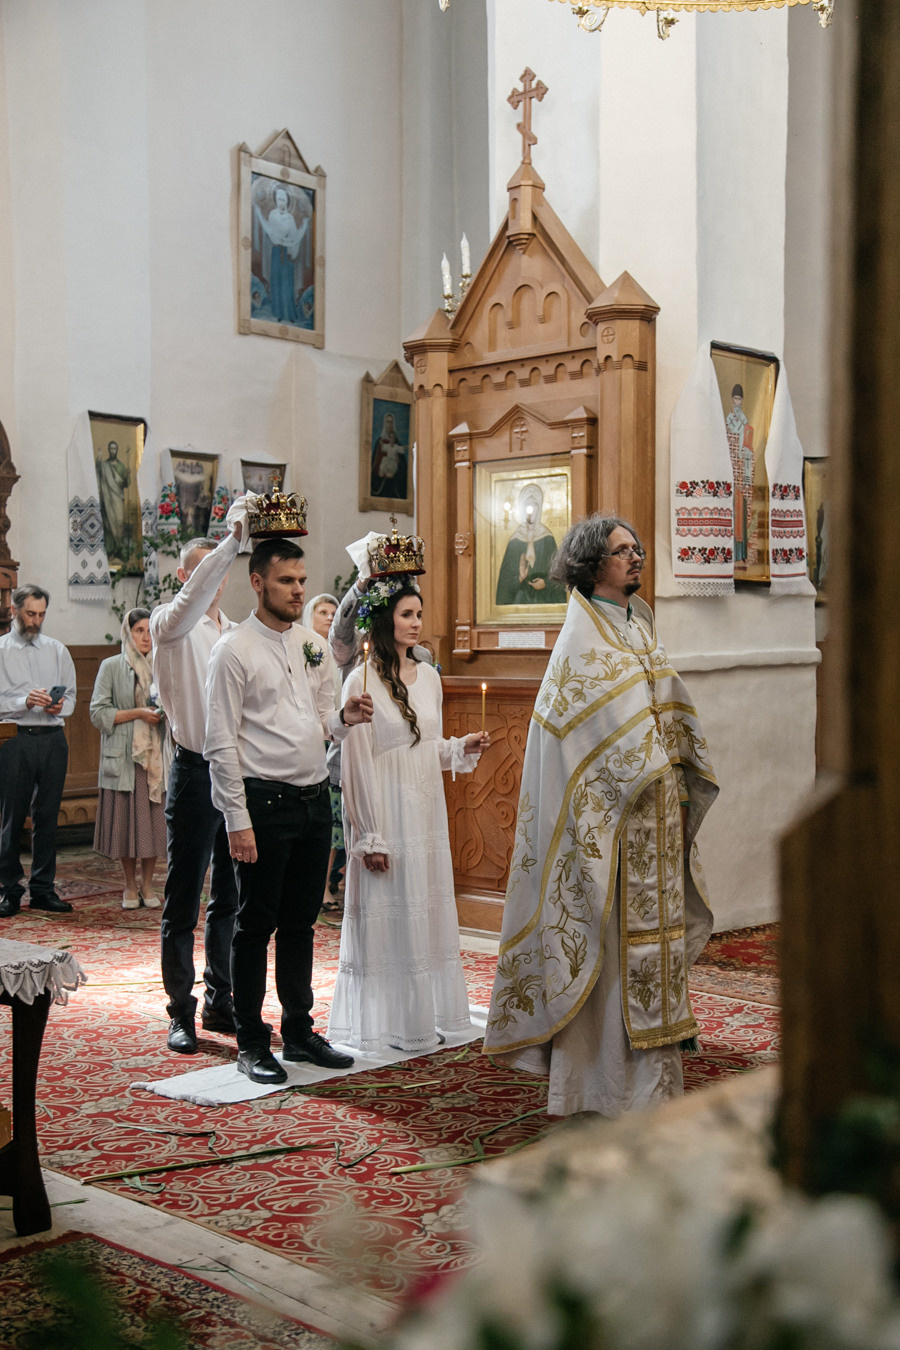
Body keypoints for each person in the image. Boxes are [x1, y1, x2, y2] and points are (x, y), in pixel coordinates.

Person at [483, 514, 719, 1118]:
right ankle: (602, 1088)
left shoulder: (638, 627)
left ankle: (655, 1086)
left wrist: (680, 771)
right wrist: (646, 768)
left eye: (637, 548)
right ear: (592, 565)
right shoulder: (580, 640)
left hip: (655, 821)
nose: (635, 557)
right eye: (622, 551)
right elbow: (592, 736)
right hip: (608, 830)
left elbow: (663, 710)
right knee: (611, 953)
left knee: (653, 952)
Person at [205, 537, 374, 1085]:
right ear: (258, 582)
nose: (298, 590)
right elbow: (221, 743)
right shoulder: (233, 650)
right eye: (286, 581)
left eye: (302, 581)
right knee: (255, 925)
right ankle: (252, 1041)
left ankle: (299, 1031)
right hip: (262, 801)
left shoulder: (313, 645)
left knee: (301, 924)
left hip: (311, 798)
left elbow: (324, 722)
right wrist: (236, 819)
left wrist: (345, 716)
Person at [328, 582, 489, 1054]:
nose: (416, 622)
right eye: (405, 614)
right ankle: (388, 1023)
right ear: (385, 620)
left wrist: (459, 748)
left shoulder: (432, 678)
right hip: (387, 811)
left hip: (424, 811)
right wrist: (369, 834)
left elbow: (423, 749)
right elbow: (358, 762)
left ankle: (424, 1016)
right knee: (390, 912)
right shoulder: (362, 679)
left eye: (419, 612)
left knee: (424, 908)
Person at [151, 523, 242, 1053]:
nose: (214, 582)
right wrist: (232, 539)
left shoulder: (234, 630)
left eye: (220, 574)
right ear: (186, 577)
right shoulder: (170, 623)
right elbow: (189, 604)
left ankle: (220, 1000)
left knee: (229, 897)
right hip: (193, 769)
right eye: (205, 572)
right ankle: (180, 1012)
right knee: (184, 897)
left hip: (237, 771)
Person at [0, 585, 77, 917]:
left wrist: (58, 706)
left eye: (42, 614)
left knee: (47, 817)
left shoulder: (56, 650)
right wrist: (24, 701)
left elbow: (72, 698)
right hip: (15, 738)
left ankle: (43, 889)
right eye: (31, 614)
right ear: (15, 611)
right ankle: (9, 890)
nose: (37, 620)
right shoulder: (1, 650)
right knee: (11, 818)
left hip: (52, 738)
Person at [90, 608, 166, 910]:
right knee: (127, 824)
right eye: (139, 631)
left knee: (152, 824)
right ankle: (130, 885)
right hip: (124, 757)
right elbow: (98, 712)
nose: (146, 637)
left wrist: (163, 715)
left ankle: (148, 884)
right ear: (128, 633)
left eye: (150, 631)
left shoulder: (161, 664)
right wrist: (137, 714)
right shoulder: (111, 666)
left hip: (155, 758)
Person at [495, 482, 566, 606]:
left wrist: (545, 583)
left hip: (545, 604)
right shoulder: (515, 541)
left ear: (540, 507)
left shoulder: (548, 538)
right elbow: (503, 585)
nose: (531, 511)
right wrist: (519, 578)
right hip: (518, 604)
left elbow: (559, 579)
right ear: (521, 508)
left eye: (534, 505)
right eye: (527, 505)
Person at [725, 384, 754, 564]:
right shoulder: (728, 420)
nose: (737, 402)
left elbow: (748, 447)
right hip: (730, 468)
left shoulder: (745, 421)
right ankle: (732, 552)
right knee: (732, 510)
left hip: (742, 468)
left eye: (740, 399)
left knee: (741, 510)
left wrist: (747, 472)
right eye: (735, 399)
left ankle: (741, 553)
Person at [96, 440, 131, 563]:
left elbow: (127, 484)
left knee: (119, 524)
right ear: (108, 450)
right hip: (107, 499)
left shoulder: (121, 466)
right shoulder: (104, 465)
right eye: (110, 449)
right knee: (109, 526)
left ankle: (119, 550)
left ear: (117, 450)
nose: (112, 451)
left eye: (114, 449)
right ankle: (110, 551)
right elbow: (98, 471)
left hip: (118, 499)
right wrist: (99, 458)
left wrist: (127, 475)